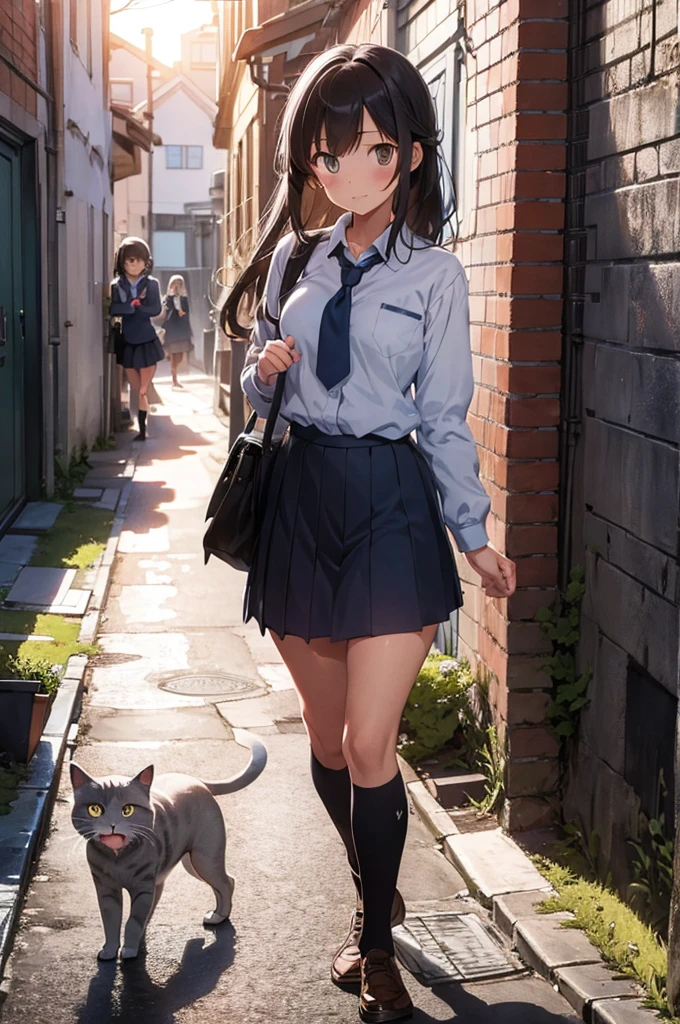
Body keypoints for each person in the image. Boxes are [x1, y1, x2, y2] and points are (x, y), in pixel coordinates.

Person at [223, 43, 517, 1024]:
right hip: (300, 499)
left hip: (389, 502)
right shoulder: (294, 261)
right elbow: (255, 392)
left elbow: (441, 414)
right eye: (330, 150)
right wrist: (262, 371)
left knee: (371, 739)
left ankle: (376, 942)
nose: (350, 168)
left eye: (375, 147)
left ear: (412, 156)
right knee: (324, 738)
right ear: (309, 160)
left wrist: (471, 535)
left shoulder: (434, 275)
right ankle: (372, 876)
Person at [110, 236, 163, 441]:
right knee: (135, 387)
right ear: (122, 262)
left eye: (138, 260)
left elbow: (156, 308)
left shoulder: (151, 284)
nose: (134, 264)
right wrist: (131, 307)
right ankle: (141, 429)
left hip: (146, 338)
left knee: (142, 387)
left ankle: (143, 429)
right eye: (129, 260)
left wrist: (140, 307)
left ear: (145, 262)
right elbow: (114, 308)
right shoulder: (117, 285)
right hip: (127, 338)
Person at [161, 274, 194, 388]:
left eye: (179, 284)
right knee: (173, 355)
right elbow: (166, 310)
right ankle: (174, 379)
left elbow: (188, 311)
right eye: (174, 284)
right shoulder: (168, 299)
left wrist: (183, 313)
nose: (176, 286)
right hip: (172, 329)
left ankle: (174, 374)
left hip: (182, 329)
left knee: (180, 355)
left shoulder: (184, 298)